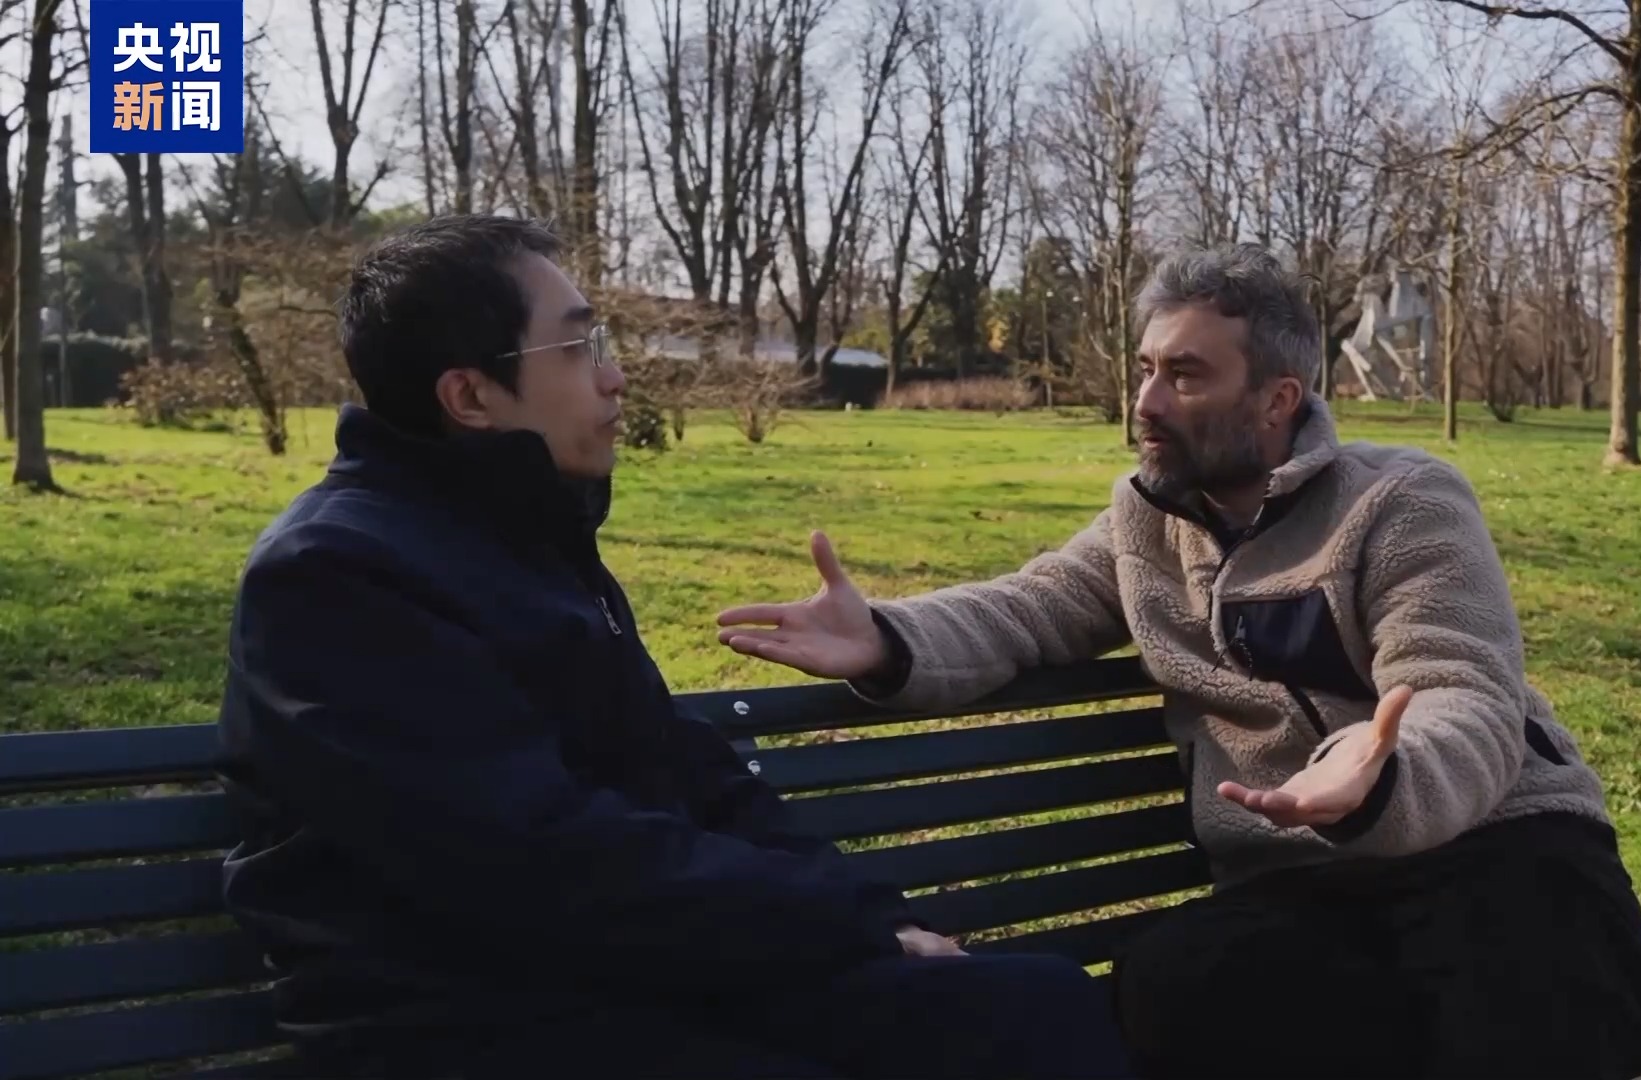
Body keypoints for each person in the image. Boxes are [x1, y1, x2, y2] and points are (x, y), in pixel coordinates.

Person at [717, 243, 1641, 1080]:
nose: (1145, 403)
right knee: (1173, 988)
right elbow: (1031, 608)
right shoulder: (1146, 522)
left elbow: (1461, 686)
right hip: (1305, 881)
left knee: (1506, 1006)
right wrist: (887, 637)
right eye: (1147, 369)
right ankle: (1620, 1012)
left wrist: (1381, 775)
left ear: (1277, 399)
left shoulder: (1401, 501)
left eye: (1185, 375)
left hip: (1489, 841)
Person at [215, 214, 1134, 1080]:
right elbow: (538, 860)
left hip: (619, 978)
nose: (616, 378)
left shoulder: (527, 544)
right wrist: (834, 929)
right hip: (463, 1021)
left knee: (1037, 1007)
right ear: (470, 395)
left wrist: (868, 918)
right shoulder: (336, 576)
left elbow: (684, 771)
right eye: (578, 349)